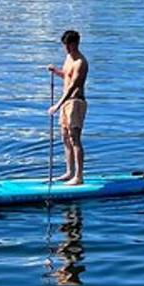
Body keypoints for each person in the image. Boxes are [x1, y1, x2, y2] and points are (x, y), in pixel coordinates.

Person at [47, 29, 88, 185]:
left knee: (75, 138)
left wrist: (57, 105)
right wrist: (55, 71)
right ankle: (69, 172)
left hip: (75, 102)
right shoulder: (69, 58)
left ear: (75, 44)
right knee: (65, 137)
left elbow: (73, 85)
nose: (66, 48)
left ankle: (79, 176)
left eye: (68, 45)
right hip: (66, 103)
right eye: (65, 45)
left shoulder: (81, 63)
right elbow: (67, 76)